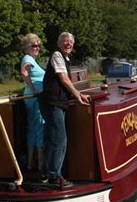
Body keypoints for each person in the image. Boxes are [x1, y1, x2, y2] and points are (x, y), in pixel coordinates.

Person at [39, 32, 90, 187]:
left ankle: (46, 172)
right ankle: (55, 176)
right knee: (59, 139)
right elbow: (64, 78)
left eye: (70, 42)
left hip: (57, 103)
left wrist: (76, 94)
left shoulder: (65, 58)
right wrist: (78, 94)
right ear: (59, 43)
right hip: (53, 103)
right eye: (65, 41)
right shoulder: (57, 55)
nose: (68, 44)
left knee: (52, 138)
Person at [20, 33, 45, 172]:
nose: (37, 48)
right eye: (34, 45)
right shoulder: (28, 58)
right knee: (40, 127)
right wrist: (34, 89)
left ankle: (30, 163)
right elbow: (24, 72)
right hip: (35, 98)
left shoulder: (32, 59)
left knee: (33, 130)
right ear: (27, 47)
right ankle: (41, 164)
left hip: (32, 98)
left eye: (38, 45)